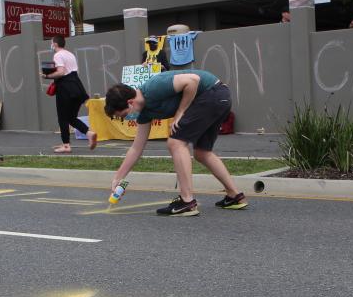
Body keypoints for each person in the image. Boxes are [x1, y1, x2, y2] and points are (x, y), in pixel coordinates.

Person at [100, 70, 247, 216]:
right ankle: (234, 196)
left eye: (125, 115)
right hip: (218, 98)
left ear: (130, 102)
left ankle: (187, 201)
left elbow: (192, 80)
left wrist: (180, 112)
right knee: (202, 152)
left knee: (175, 143)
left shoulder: (153, 88)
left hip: (212, 94)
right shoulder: (145, 114)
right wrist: (118, 178)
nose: (128, 118)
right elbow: (136, 149)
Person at [42, 35, 95, 153]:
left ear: (55, 44)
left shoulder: (57, 55)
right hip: (77, 87)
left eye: (51, 42)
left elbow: (61, 72)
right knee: (71, 118)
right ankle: (89, 133)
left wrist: (47, 76)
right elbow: (71, 70)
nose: (51, 45)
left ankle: (66, 145)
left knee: (62, 118)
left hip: (65, 88)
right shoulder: (70, 54)